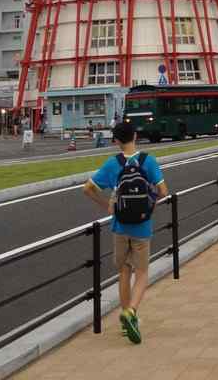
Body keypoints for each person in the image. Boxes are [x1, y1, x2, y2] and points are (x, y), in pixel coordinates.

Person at [84, 120, 168, 345]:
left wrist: (107, 205)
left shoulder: (113, 164)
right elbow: (163, 191)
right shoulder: (147, 161)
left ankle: (125, 321)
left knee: (124, 271)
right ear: (135, 137)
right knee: (141, 273)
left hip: (120, 226)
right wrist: (149, 203)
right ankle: (131, 312)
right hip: (142, 226)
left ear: (117, 141)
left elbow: (87, 188)